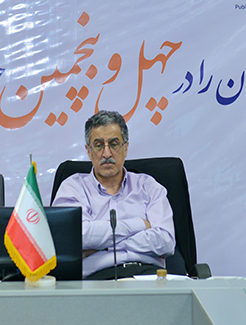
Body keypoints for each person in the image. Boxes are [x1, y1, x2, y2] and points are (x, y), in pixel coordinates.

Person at [53, 110, 175, 279]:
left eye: (114, 144)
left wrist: (102, 246)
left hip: (148, 276)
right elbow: (76, 238)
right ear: (88, 151)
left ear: (126, 147)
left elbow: (166, 242)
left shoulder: (149, 186)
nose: (107, 153)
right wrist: (139, 224)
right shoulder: (72, 187)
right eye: (99, 145)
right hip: (98, 279)